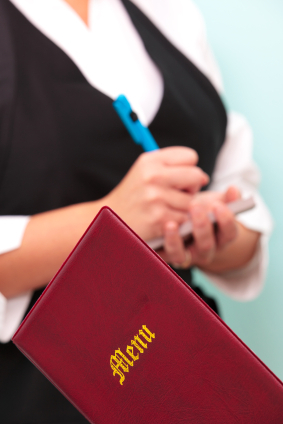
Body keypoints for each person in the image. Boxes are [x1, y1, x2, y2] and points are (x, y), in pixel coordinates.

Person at [0, 0, 272, 422]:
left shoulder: (169, 11)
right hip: (42, 394)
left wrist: (211, 234)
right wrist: (113, 217)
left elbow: (244, 209)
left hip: (191, 377)